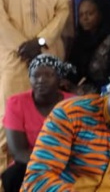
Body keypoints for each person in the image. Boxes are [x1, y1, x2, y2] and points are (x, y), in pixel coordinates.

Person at [0, 0, 70, 173]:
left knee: (51, 118)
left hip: (47, 54)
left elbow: (62, 10)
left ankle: (51, 175)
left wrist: (39, 42)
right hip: (13, 57)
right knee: (8, 119)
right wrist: (22, 46)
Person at [1, 55, 76, 192]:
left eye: (48, 75)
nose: (41, 80)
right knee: (13, 176)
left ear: (59, 79)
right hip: (30, 163)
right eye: (35, 75)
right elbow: (18, 152)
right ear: (29, 79)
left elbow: (82, 145)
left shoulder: (75, 104)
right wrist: (51, 165)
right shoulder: (17, 103)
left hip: (69, 163)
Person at [68, 0, 110, 83]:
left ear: (100, 14)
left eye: (89, 13)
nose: (85, 18)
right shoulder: (79, 40)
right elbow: (73, 68)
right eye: (81, 15)